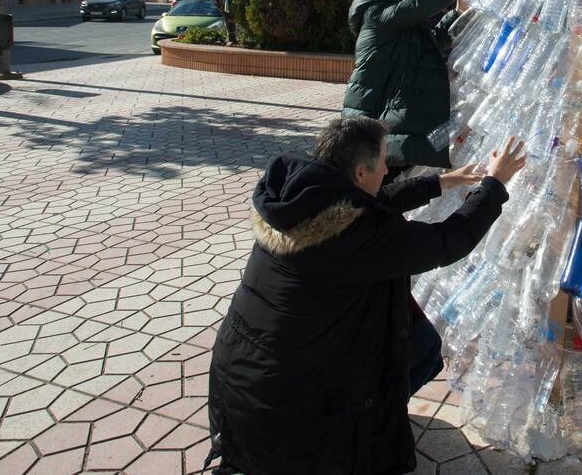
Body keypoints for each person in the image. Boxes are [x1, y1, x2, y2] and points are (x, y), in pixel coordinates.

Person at [206, 117, 527, 475]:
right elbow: (448, 240)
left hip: (240, 381)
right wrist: (495, 184)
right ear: (360, 173)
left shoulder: (297, 199)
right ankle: (351, 437)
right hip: (287, 407)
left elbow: (367, 202)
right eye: (384, 161)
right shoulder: (357, 238)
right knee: (421, 347)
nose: (389, 169)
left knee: (407, 333)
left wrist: (441, 182)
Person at [343, 0, 494, 170]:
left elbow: (432, 40)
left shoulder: (393, 19)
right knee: (384, 179)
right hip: (377, 121)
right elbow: (425, 1)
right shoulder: (379, 14)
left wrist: (457, 14)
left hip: (388, 116)